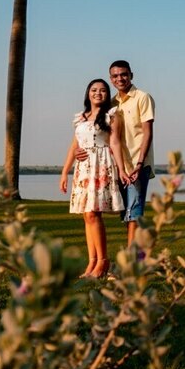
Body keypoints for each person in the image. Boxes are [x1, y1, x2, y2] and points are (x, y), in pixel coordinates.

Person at [59, 78, 131, 278]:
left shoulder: (111, 116)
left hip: (102, 165)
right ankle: (92, 262)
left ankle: (103, 261)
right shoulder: (81, 117)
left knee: (93, 214)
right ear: (88, 93)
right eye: (94, 90)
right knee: (86, 215)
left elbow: (115, 143)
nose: (98, 93)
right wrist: (65, 171)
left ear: (107, 95)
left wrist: (122, 170)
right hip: (83, 168)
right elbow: (74, 147)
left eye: (102, 90)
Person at [106, 60, 155, 250]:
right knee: (127, 214)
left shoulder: (143, 97)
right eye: (116, 76)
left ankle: (131, 261)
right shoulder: (111, 103)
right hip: (119, 166)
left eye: (124, 74)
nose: (120, 79)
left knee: (134, 212)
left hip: (138, 164)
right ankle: (138, 256)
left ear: (131, 75)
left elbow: (148, 132)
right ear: (111, 79)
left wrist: (139, 164)